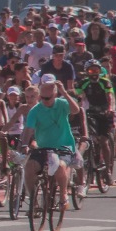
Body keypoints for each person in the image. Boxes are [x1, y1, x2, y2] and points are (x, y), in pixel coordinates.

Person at [22, 75, 81, 207]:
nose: (45, 101)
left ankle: (64, 194)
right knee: (29, 167)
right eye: (42, 98)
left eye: (48, 98)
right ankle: (33, 202)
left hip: (63, 146)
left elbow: (75, 110)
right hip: (43, 148)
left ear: (55, 94)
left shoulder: (62, 104)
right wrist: (24, 145)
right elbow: (28, 130)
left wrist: (64, 92)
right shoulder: (35, 110)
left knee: (59, 166)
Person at [75, 61, 116, 186]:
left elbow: (110, 96)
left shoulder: (105, 82)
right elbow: (78, 96)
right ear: (86, 72)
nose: (94, 73)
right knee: (89, 138)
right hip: (90, 113)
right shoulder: (83, 83)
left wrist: (110, 108)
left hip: (104, 112)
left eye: (96, 70)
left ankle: (108, 170)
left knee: (104, 141)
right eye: (91, 71)